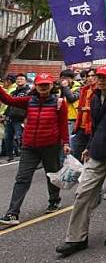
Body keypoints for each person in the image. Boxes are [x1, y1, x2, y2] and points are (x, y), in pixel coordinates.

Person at [56, 64, 106, 257]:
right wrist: (89, 147)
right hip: (96, 153)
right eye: (98, 77)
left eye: (105, 77)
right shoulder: (94, 98)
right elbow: (97, 127)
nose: (100, 80)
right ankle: (76, 238)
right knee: (83, 193)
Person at [0, 73, 69, 225]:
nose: (43, 87)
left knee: (52, 175)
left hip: (51, 146)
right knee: (22, 178)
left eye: (46, 84)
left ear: (51, 86)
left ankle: (54, 201)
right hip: (29, 146)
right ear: (35, 86)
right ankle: (12, 213)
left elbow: (63, 124)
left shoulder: (59, 102)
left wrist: (65, 143)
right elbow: (8, 100)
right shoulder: (29, 100)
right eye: (40, 85)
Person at [2, 73, 30, 162]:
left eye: (21, 79)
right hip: (10, 118)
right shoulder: (13, 92)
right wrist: (5, 115)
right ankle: (10, 156)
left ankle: (24, 156)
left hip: (20, 119)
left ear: (26, 81)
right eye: (18, 79)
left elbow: (29, 106)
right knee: (7, 138)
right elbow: (9, 104)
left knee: (20, 138)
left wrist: (26, 117)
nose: (19, 80)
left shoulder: (28, 92)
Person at [72, 69, 97, 161]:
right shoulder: (84, 90)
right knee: (76, 154)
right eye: (88, 76)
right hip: (80, 127)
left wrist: (89, 109)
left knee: (90, 156)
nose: (90, 78)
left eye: (93, 75)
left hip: (92, 128)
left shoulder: (100, 90)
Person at [60, 69, 82, 140]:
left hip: (71, 118)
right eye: (63, 78)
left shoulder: (78, 88)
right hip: (60, 116)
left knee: (68, 139)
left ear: (72, 79)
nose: (64, 80)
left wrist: (66, 87)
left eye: (67, 78)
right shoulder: (58, 87)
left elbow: (71, 99)